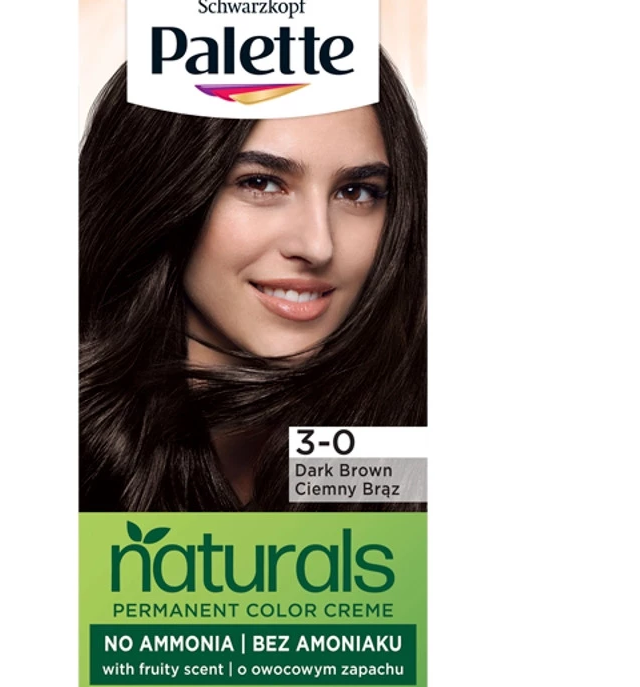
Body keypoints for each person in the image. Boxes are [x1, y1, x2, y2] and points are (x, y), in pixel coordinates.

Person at [79, 51, 426, 511]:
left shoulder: (409, 447)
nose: (318, 245)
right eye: (261, 184)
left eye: (356, 192)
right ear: (160, 190)